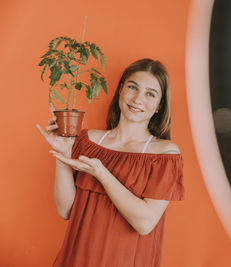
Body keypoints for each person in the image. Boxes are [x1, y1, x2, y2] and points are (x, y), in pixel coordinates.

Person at [36, 58, 184, 267]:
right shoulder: (86, 140)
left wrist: (101, 173)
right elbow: (66, 211)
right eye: (133, 87)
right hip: (76, 259)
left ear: (159, 105)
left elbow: (145, 223)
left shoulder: (164, 153)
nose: (138, 99)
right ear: (121, 90)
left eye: (150, 94)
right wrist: (63, 157)